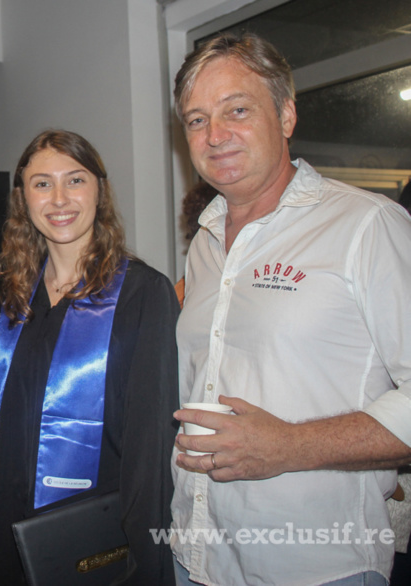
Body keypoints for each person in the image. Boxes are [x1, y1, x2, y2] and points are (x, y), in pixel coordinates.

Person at [171, 32, 411, 585]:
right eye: (197, 119)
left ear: (285, 115)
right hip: (194, 558)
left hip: (317, 567)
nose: (216, 135)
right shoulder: (205, 246)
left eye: (237, 110)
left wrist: (292, 446)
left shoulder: (365, 225)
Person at [0, 130, 179, 585]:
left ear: (99, 190)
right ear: (23, 198)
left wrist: (147, 562)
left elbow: (151, 453)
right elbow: (3, 416)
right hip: (7, 521)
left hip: (92, 534)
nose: (59, 198)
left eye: (75, 180)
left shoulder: (143, 295)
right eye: (42, 184)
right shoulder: (11, 297)